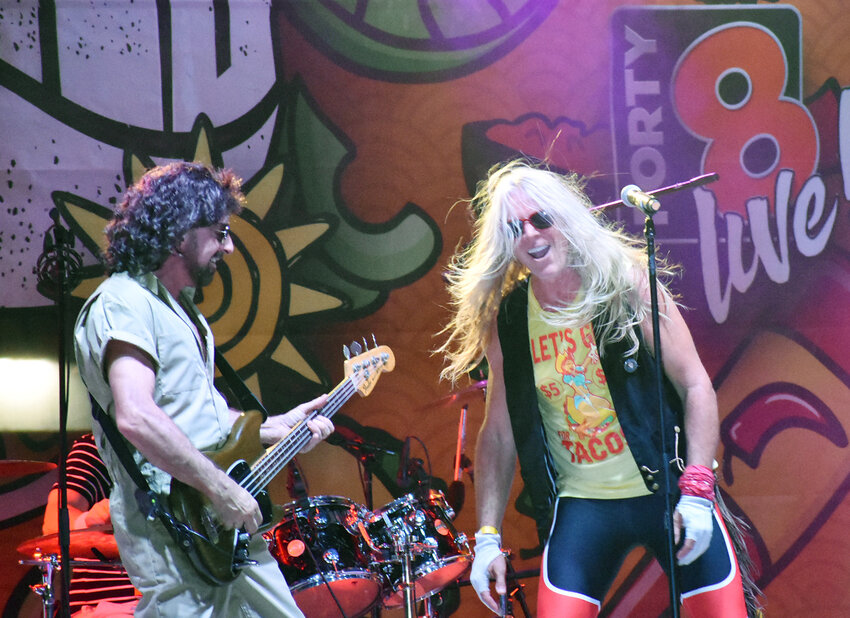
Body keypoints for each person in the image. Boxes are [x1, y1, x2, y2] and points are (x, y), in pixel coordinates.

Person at [438, 160, 759, 617]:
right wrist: (486, 538)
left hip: (666, 490)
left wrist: (698, 490)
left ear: (566, 219)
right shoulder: (508, 319)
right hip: (582, 506)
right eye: (514, 229)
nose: (530, 234)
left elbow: (695, 385)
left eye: (541, 219)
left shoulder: (625, 284)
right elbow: (498, 432)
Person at [73, 161, 334, 617]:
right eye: (219, 232)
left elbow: (193, 413)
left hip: (222, 521)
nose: (229, 247)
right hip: (175, 524)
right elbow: (135, 414)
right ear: (178, 235)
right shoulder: (124, 302)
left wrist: (276, 428)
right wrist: (220, 487)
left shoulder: (179, 309)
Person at [42, 433, 139, 616]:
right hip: (106, 606)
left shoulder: (200, 450)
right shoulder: (103, 446)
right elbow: (53, 522)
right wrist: (90, 523)